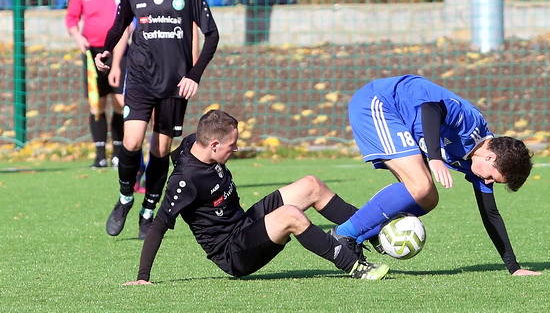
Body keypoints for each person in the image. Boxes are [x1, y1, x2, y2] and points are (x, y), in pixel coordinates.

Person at [122, 110, 389, 285]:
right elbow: (159, 225)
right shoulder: (184, 181)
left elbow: (175, 155)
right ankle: (354, 266)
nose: (237, 149)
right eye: (232, 145)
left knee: (311, 185)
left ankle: (373, 233)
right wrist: (143, 276)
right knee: (292, 216)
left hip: (244, 224)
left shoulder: (192, 143)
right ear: (213, 145)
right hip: (233, 252)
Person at [329, 74, 541, 276]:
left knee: (428, 198)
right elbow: (431, 108)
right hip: (379, 102)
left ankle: (358, 237)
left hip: (397, 119)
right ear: (490, 157)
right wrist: (435, 157)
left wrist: (513, 267)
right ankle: (343, 235)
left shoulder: (479, 164)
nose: (488, 181)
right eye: (492, 177)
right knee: (420, 186)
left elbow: (491, 215)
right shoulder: (470, 123)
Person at [95, 0, 219, 240]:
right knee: (132, 141)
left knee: (161, 149)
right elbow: (119, 25)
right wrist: (106, 50)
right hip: (140, 78)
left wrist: (194, 74)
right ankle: (125, 198)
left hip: (175, 83)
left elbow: (212, 34)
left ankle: (148, 211)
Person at [66, 0, 130, 168]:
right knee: (97, 103)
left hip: (119, 51)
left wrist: (116, 63)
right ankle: (100, 155)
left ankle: (119, 153)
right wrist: (78, 37)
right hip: (92, 52)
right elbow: (71, 18)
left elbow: (128, 23)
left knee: (121, 102)